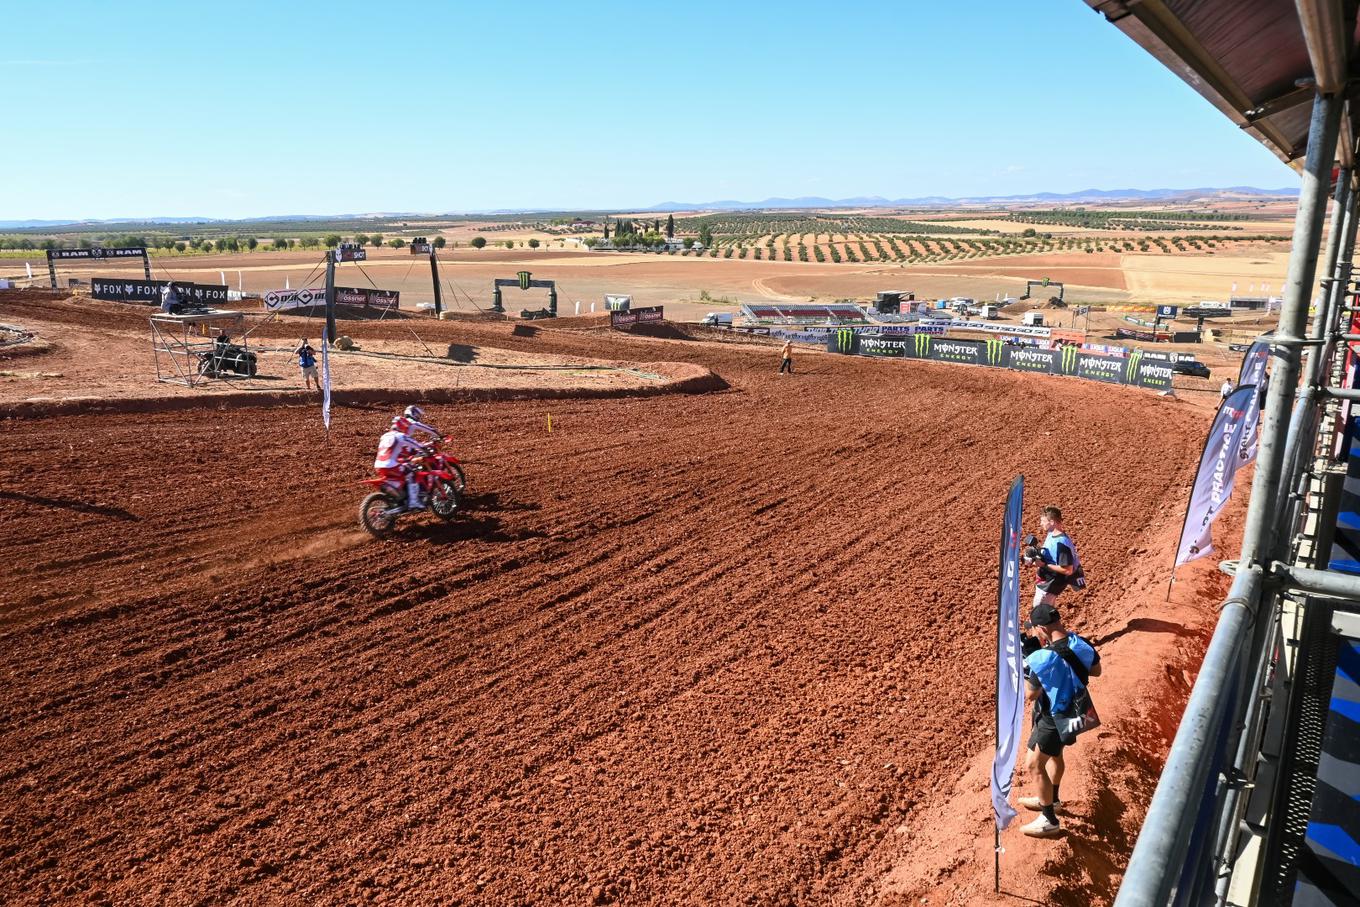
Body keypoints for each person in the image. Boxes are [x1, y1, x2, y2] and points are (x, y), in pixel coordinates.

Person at [1020, 602, 1102, 838]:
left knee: (1034, 765)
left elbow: (1031, 694)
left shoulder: (1043, 658)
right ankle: (1052, 799)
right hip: (1075, 711)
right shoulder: (1081, 642)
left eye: (1033, 629)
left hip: (1052, 716)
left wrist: (1030, 661)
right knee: (1056, 755)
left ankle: (1048, 819)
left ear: (1041, 629)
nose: (1033, 633)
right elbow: (1096, 671)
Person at [373, 411, 437, 512]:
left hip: (378, 466)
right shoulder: (401, 436)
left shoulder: (384, 436)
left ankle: (400, 497)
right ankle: (414, 502)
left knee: (402, 474)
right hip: (391, 465)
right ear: (402, 426)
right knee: (412, 473)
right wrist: (425, 450)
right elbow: (416, 445)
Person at [1028, 506, 1081, 610]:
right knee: (1045, 616)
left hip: (1051, 584)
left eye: (1043, 521)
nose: (1040, 523)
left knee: (1040, 616)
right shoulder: (1052, 535)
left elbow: (1067, 570)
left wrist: (1044, 565)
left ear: (1052, 522)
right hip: (1046, 581)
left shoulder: (1061, 543)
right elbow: (1052, 556)